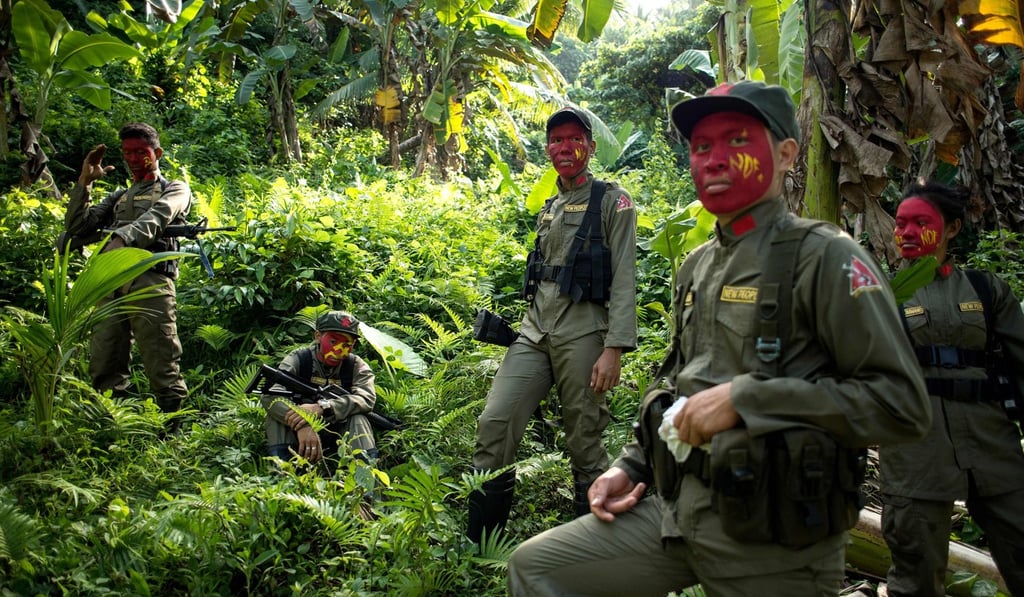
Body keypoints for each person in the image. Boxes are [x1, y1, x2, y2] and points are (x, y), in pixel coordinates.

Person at [507, 81, 932, 596]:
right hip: (677, 511)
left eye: (736, 140)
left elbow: (902, 405)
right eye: (701, 146)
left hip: (773, 536)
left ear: (786, 152)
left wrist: (748, 399)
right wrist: (631, 465)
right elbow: (677, 384)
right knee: (537, 567)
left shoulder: (825, 258)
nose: (713, 159)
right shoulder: (697, 266)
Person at [468, 106, 638, 542]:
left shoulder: (612, 201)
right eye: (557, 140)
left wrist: (614, 348)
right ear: (548, 148)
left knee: (584, 438)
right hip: (534, 332)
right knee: (495, 422)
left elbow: (624, 277)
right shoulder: (550, 205)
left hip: (583, 332)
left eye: (574, 139)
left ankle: (593, 543)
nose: (566, 147)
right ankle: (482, 543)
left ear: (590, 146)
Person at [879, 180, 1024, 597]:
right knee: (916, 571)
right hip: (915, 449)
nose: (906, 232)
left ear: (953, 228)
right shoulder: (881, 294)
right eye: (901, 223)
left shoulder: (985, 289)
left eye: (920, 223)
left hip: (991, 441)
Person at [63, 122, 190, 413]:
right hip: (111, 281)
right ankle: (115, 421)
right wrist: (85, 183)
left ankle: (172, 424)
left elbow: (160, 216)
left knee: (161, 357)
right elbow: (76, 226)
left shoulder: (174, 189)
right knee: (105, 356)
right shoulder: (119, 196)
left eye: (141, 152)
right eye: (127, 153)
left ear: (157, 153)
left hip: (150, 278)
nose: (133, 159)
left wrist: (122, 237)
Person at [262, 310, 378, 470]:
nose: (339, 350)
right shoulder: (299, 359)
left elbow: (366, 399)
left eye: (347, 345)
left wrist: (324, 407)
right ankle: (283, 477)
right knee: (276, 416)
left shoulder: (356, 366)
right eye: (333, 341)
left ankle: (366, 484)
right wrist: (303, 423)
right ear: (317, 336)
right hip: (298, 434)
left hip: (339, 431)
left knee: (359, 418)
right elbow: (270, 395)